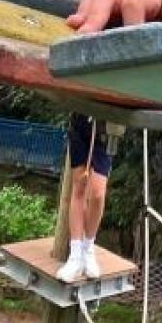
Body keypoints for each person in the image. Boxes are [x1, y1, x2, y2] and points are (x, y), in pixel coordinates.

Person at [55, 114, 113, 284]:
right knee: (79, 186)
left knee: (97, 193)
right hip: (80, 120)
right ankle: (75, 256)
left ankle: (88, 249)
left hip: (107, 127)